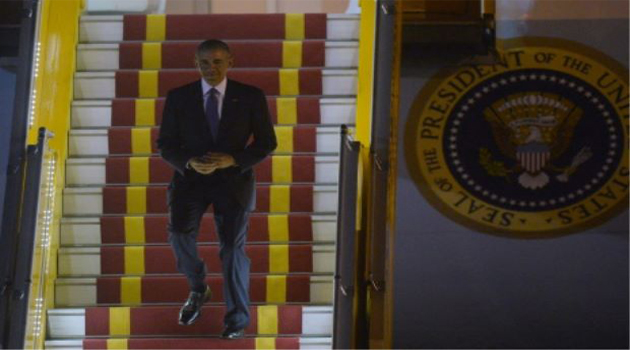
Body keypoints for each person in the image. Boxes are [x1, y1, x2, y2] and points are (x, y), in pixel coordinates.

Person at [157, 39, 277, 339]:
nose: (212, 68)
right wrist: (189, 162)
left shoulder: (250, 96)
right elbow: (166, 145)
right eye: (205, 63)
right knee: (179, 235)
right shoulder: (178, 97)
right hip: (189, 181)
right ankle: (199, 288)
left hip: (233, 182)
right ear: (195, 64)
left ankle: (237, 320)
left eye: (218, 62)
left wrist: (234, 159)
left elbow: (266, 142)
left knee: (233, 250)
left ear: (231, 62)